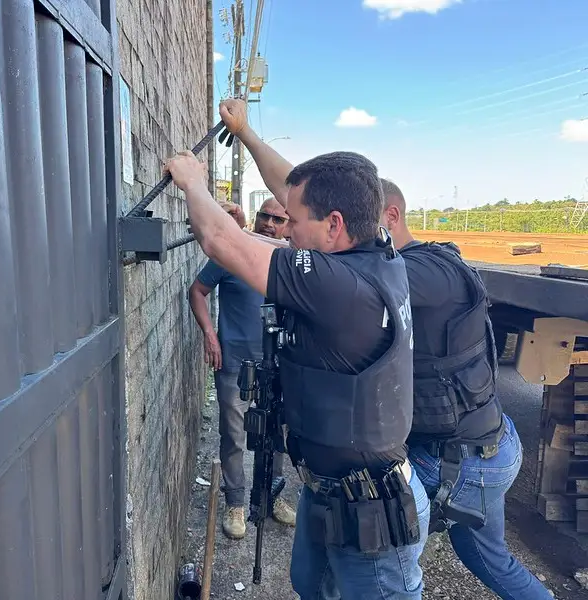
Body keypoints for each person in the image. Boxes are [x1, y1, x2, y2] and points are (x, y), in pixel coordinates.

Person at [164, 98, 430, 599]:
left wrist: (193, 180)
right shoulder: (376, 252)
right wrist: (245, 134)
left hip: (369, 516)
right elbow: (291, 185)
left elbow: (220, 240)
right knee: (312, 585)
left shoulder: (339, 287)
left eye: (296, 222)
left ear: (333, 225)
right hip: (333, 493)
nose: (287, 231)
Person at [380, 179, 551, 600]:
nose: (341, 235)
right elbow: (312, 198)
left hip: (459, 462)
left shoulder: (421, 271)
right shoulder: (425, 264)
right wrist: (249, 138)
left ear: (391, 217)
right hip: (489, 445)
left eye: (352, 222)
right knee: (486, 556)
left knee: (373, 551)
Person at [189, 197, 296, 540]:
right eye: (265, 216)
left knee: (275, 435)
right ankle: (235, 502)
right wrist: (209, 333)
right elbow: (197, 291)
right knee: (234, 435)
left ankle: (271, 497)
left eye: (278, 219)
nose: (270, 223)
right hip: (234, 362)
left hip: (278, 366)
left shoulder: (289, 261)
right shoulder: (232, 255)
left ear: (288, 226)